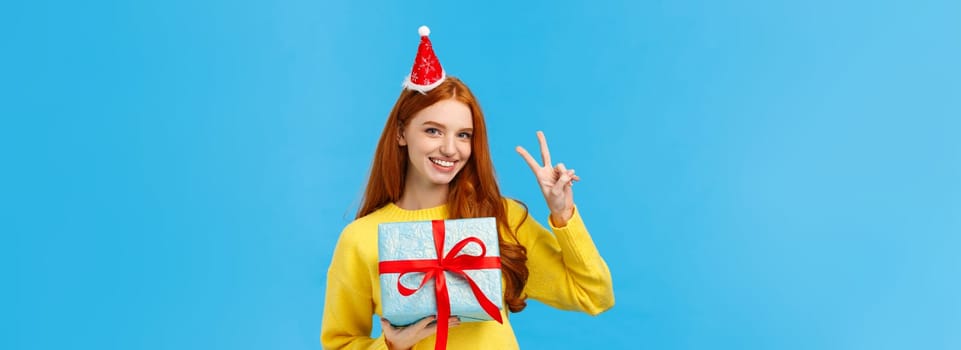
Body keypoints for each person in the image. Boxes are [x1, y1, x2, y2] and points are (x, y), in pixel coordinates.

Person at [320, 26, 614, 350]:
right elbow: (339, 343)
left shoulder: (501, 219)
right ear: (402, 134)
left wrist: (562, 213)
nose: (450, 148)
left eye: (463, 135)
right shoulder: (360, 239)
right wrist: (391, 346)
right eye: (433, 130)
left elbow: (593, 295)